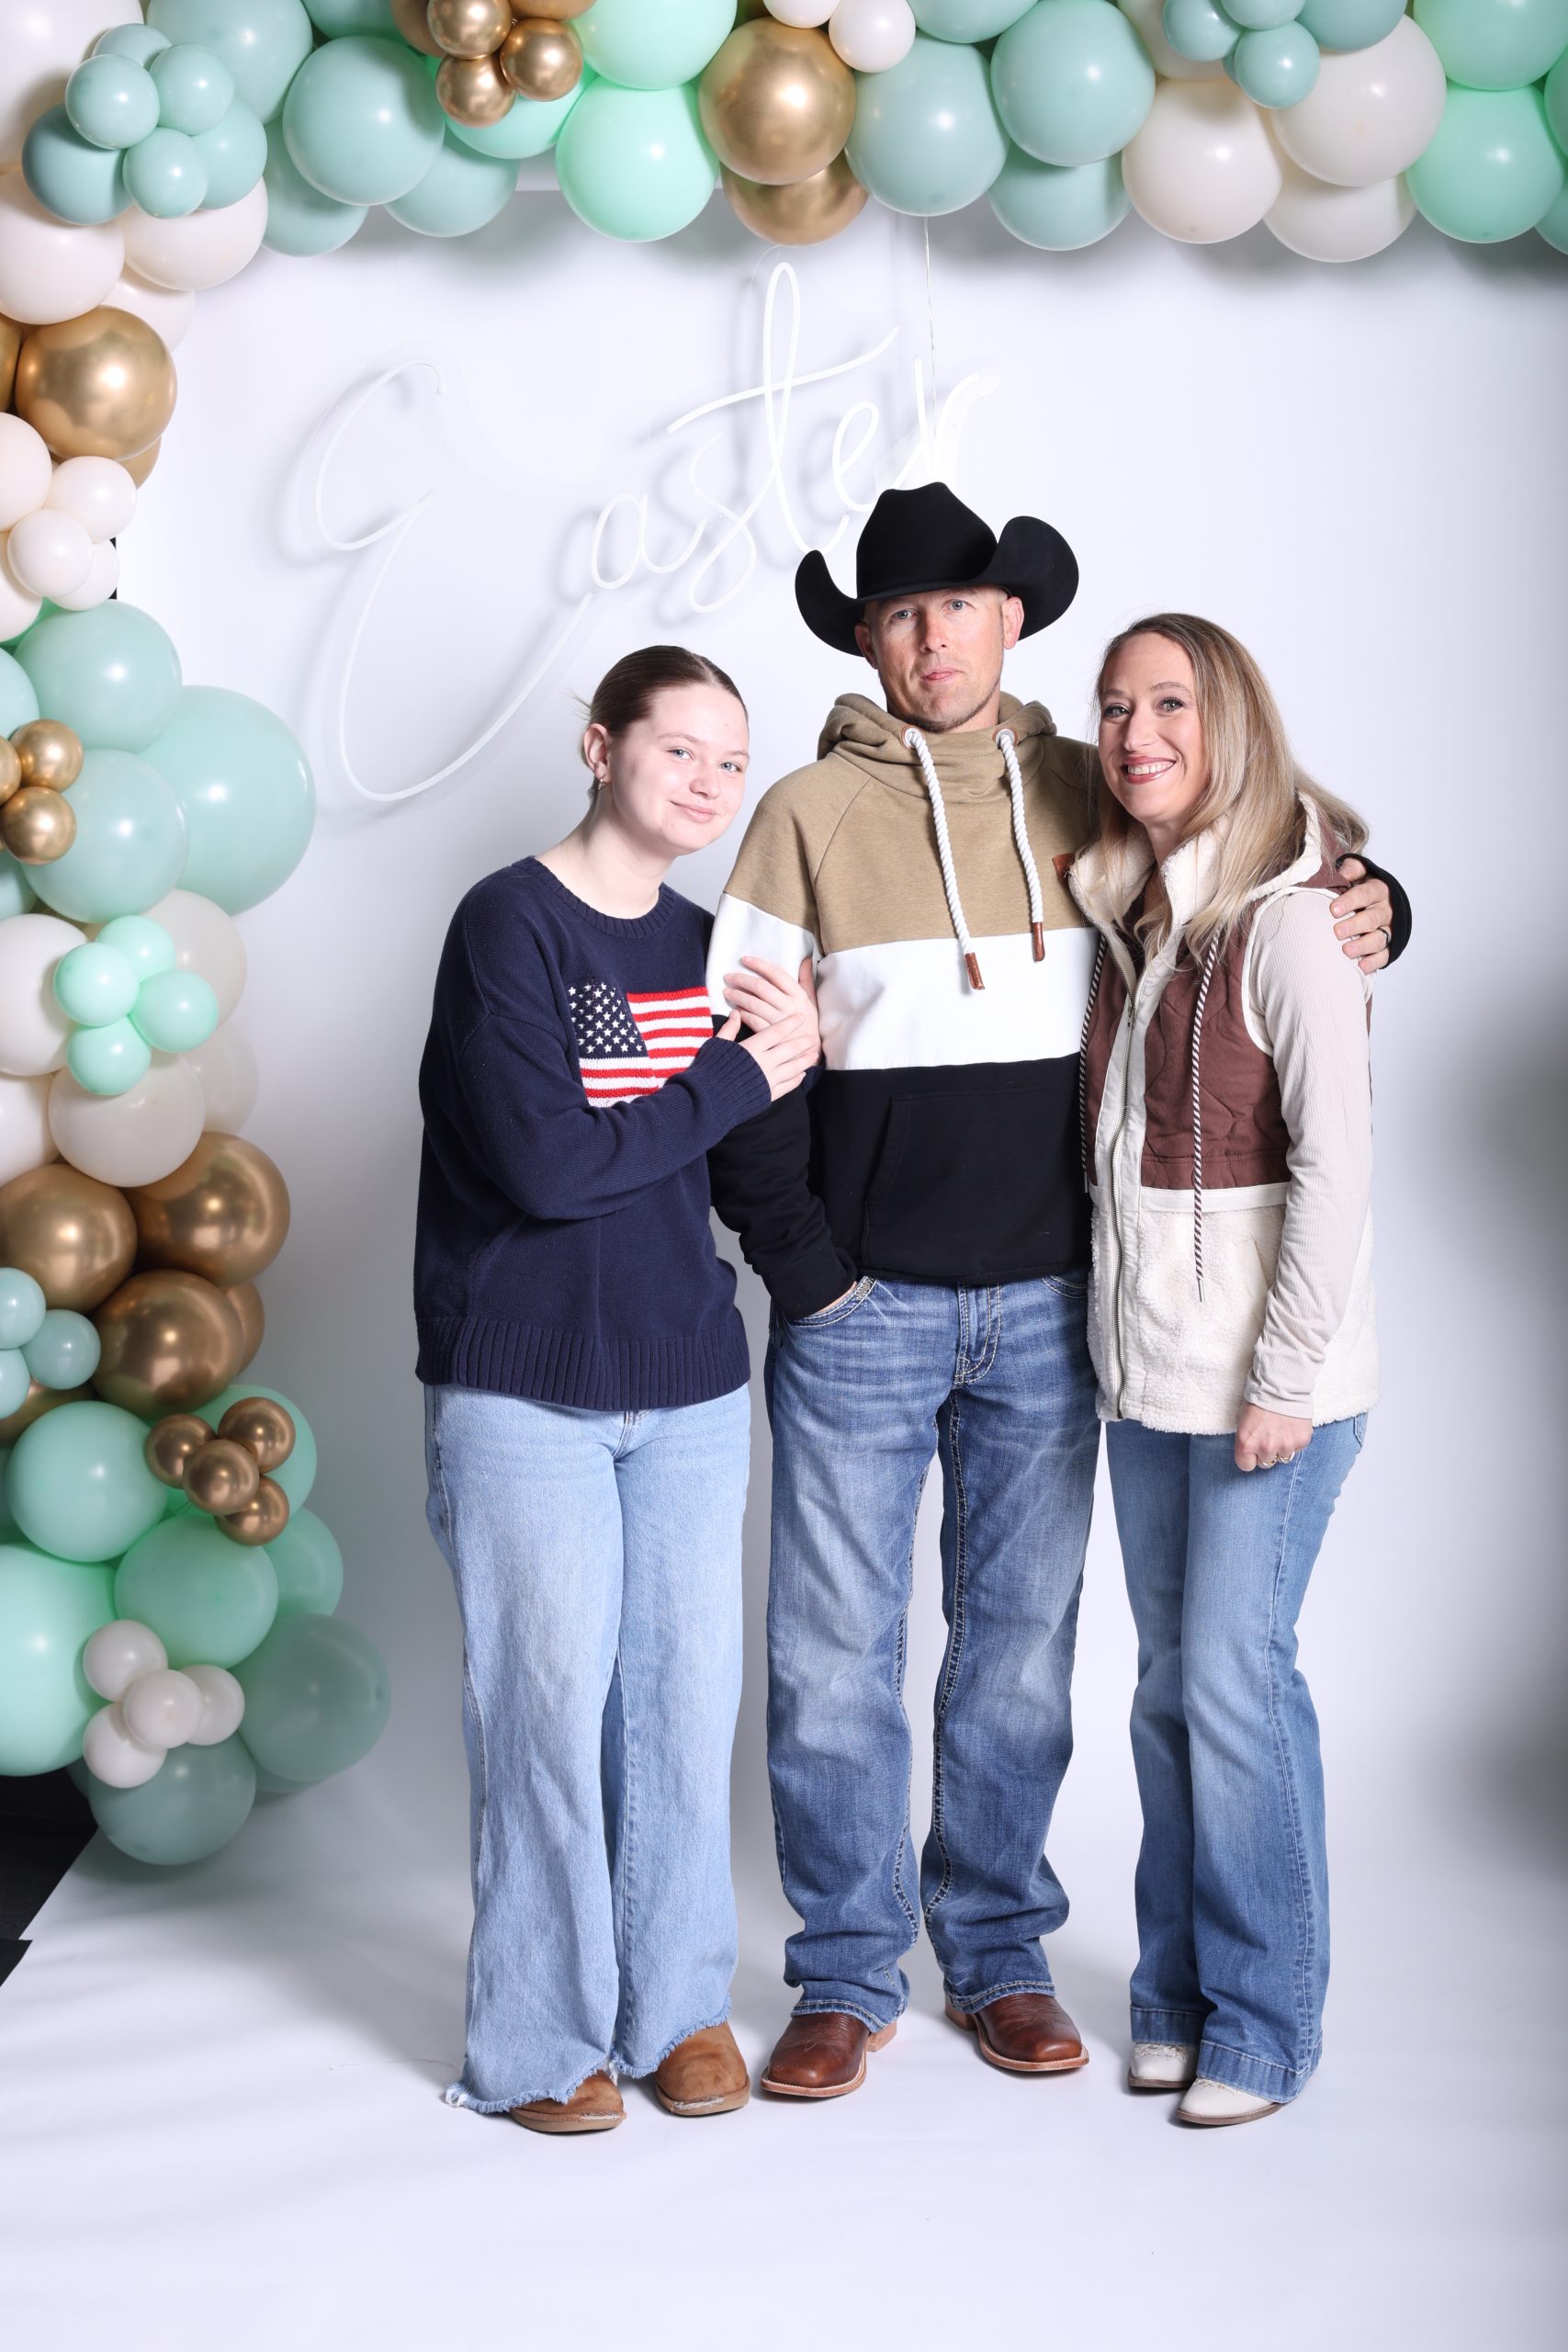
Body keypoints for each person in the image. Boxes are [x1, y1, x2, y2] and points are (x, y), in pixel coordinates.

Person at [705, 483, 1407, 2100]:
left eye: (958, 603)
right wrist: (805, 1273)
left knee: (1020, 1657)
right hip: (859, 1312)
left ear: (1011, 617)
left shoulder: (1100, 785)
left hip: (1055, 1308)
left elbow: (1271, 859)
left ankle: (1000, 1952)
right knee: (830, 1657)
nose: (932, 636)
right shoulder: (804, 813)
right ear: (868, 639)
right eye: (899, 612)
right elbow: (736, 1056)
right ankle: (846, 1971)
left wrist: (1383, 899)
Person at [415, 647, 818, 2136]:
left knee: (681, 1710)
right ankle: (538, 2042)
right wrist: (743, 1076)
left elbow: (743, 1162)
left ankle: (678, 2010)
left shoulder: (715, 948)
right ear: (601, 748)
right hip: (524, 1388)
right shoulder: (508, 924)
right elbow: (548, 1165)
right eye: (680, 750)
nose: (709, 783)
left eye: (732, 761)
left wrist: (798, 1062)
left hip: (689, 1387)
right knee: (542, 1718)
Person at [1070, 616, 1379, 2128]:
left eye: (1171, 704)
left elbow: (1336, 1166)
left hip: (1269, 1384)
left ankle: (1266, 2022)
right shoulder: (1126, 909)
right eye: (1114, 707)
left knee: (1234, 1684)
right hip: (1149, 1380)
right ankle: (1175, 1999)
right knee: (1165, 1691)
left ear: (1232, 720)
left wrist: (1288, 1376)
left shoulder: (1299, 918)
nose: (1137, 734)